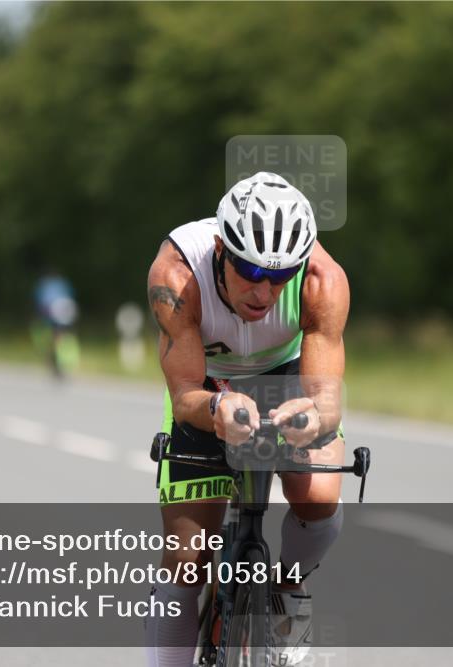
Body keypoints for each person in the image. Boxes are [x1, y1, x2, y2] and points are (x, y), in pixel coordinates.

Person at [144, 172, 349, 666]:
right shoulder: (177, 277)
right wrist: (216, 408)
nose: (265, 290)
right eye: (251, 273)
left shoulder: (323, 281)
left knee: (318, 495)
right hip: (207, 383)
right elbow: (184, 391)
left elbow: (327, 401)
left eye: (280, 277)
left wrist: (313, 413)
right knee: (187, 560)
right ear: (221, 249)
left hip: (285, 375)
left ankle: (287, 590)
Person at [33, 270, 79, 378]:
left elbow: (39, 301)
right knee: (64, 334)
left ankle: (54, 359)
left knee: (55, 335)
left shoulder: (44, 284)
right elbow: (71, 296)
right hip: (67, 308)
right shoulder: (63, 283)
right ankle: (63, 359)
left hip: (52, 310)